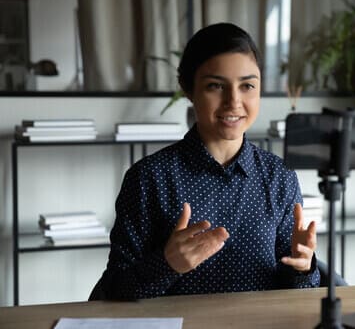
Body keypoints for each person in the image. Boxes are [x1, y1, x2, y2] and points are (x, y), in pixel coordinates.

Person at [90, 22, 321, 300]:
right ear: (188, 89)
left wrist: (303, 268)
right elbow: (114, 289)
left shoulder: (279, 177)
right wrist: (168, 264)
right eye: (215, 86)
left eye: (247, 85)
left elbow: (296, 294)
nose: (233, 102)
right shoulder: (149, 178)